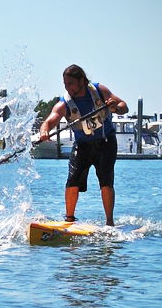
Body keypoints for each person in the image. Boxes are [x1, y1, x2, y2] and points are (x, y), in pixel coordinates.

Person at [38, 64, 128, 226]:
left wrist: (115, 107)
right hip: (82, 145)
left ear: (82, 80)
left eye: (71, 83)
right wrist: (44, 131)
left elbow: (124, 106)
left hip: (106, 142)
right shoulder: (64, 103)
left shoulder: (99, 90)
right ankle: (69, 219)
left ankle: (109, 222)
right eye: (65, 84)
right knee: (72, 182)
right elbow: (50, 120)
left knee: (106, 183)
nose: (68, 88)